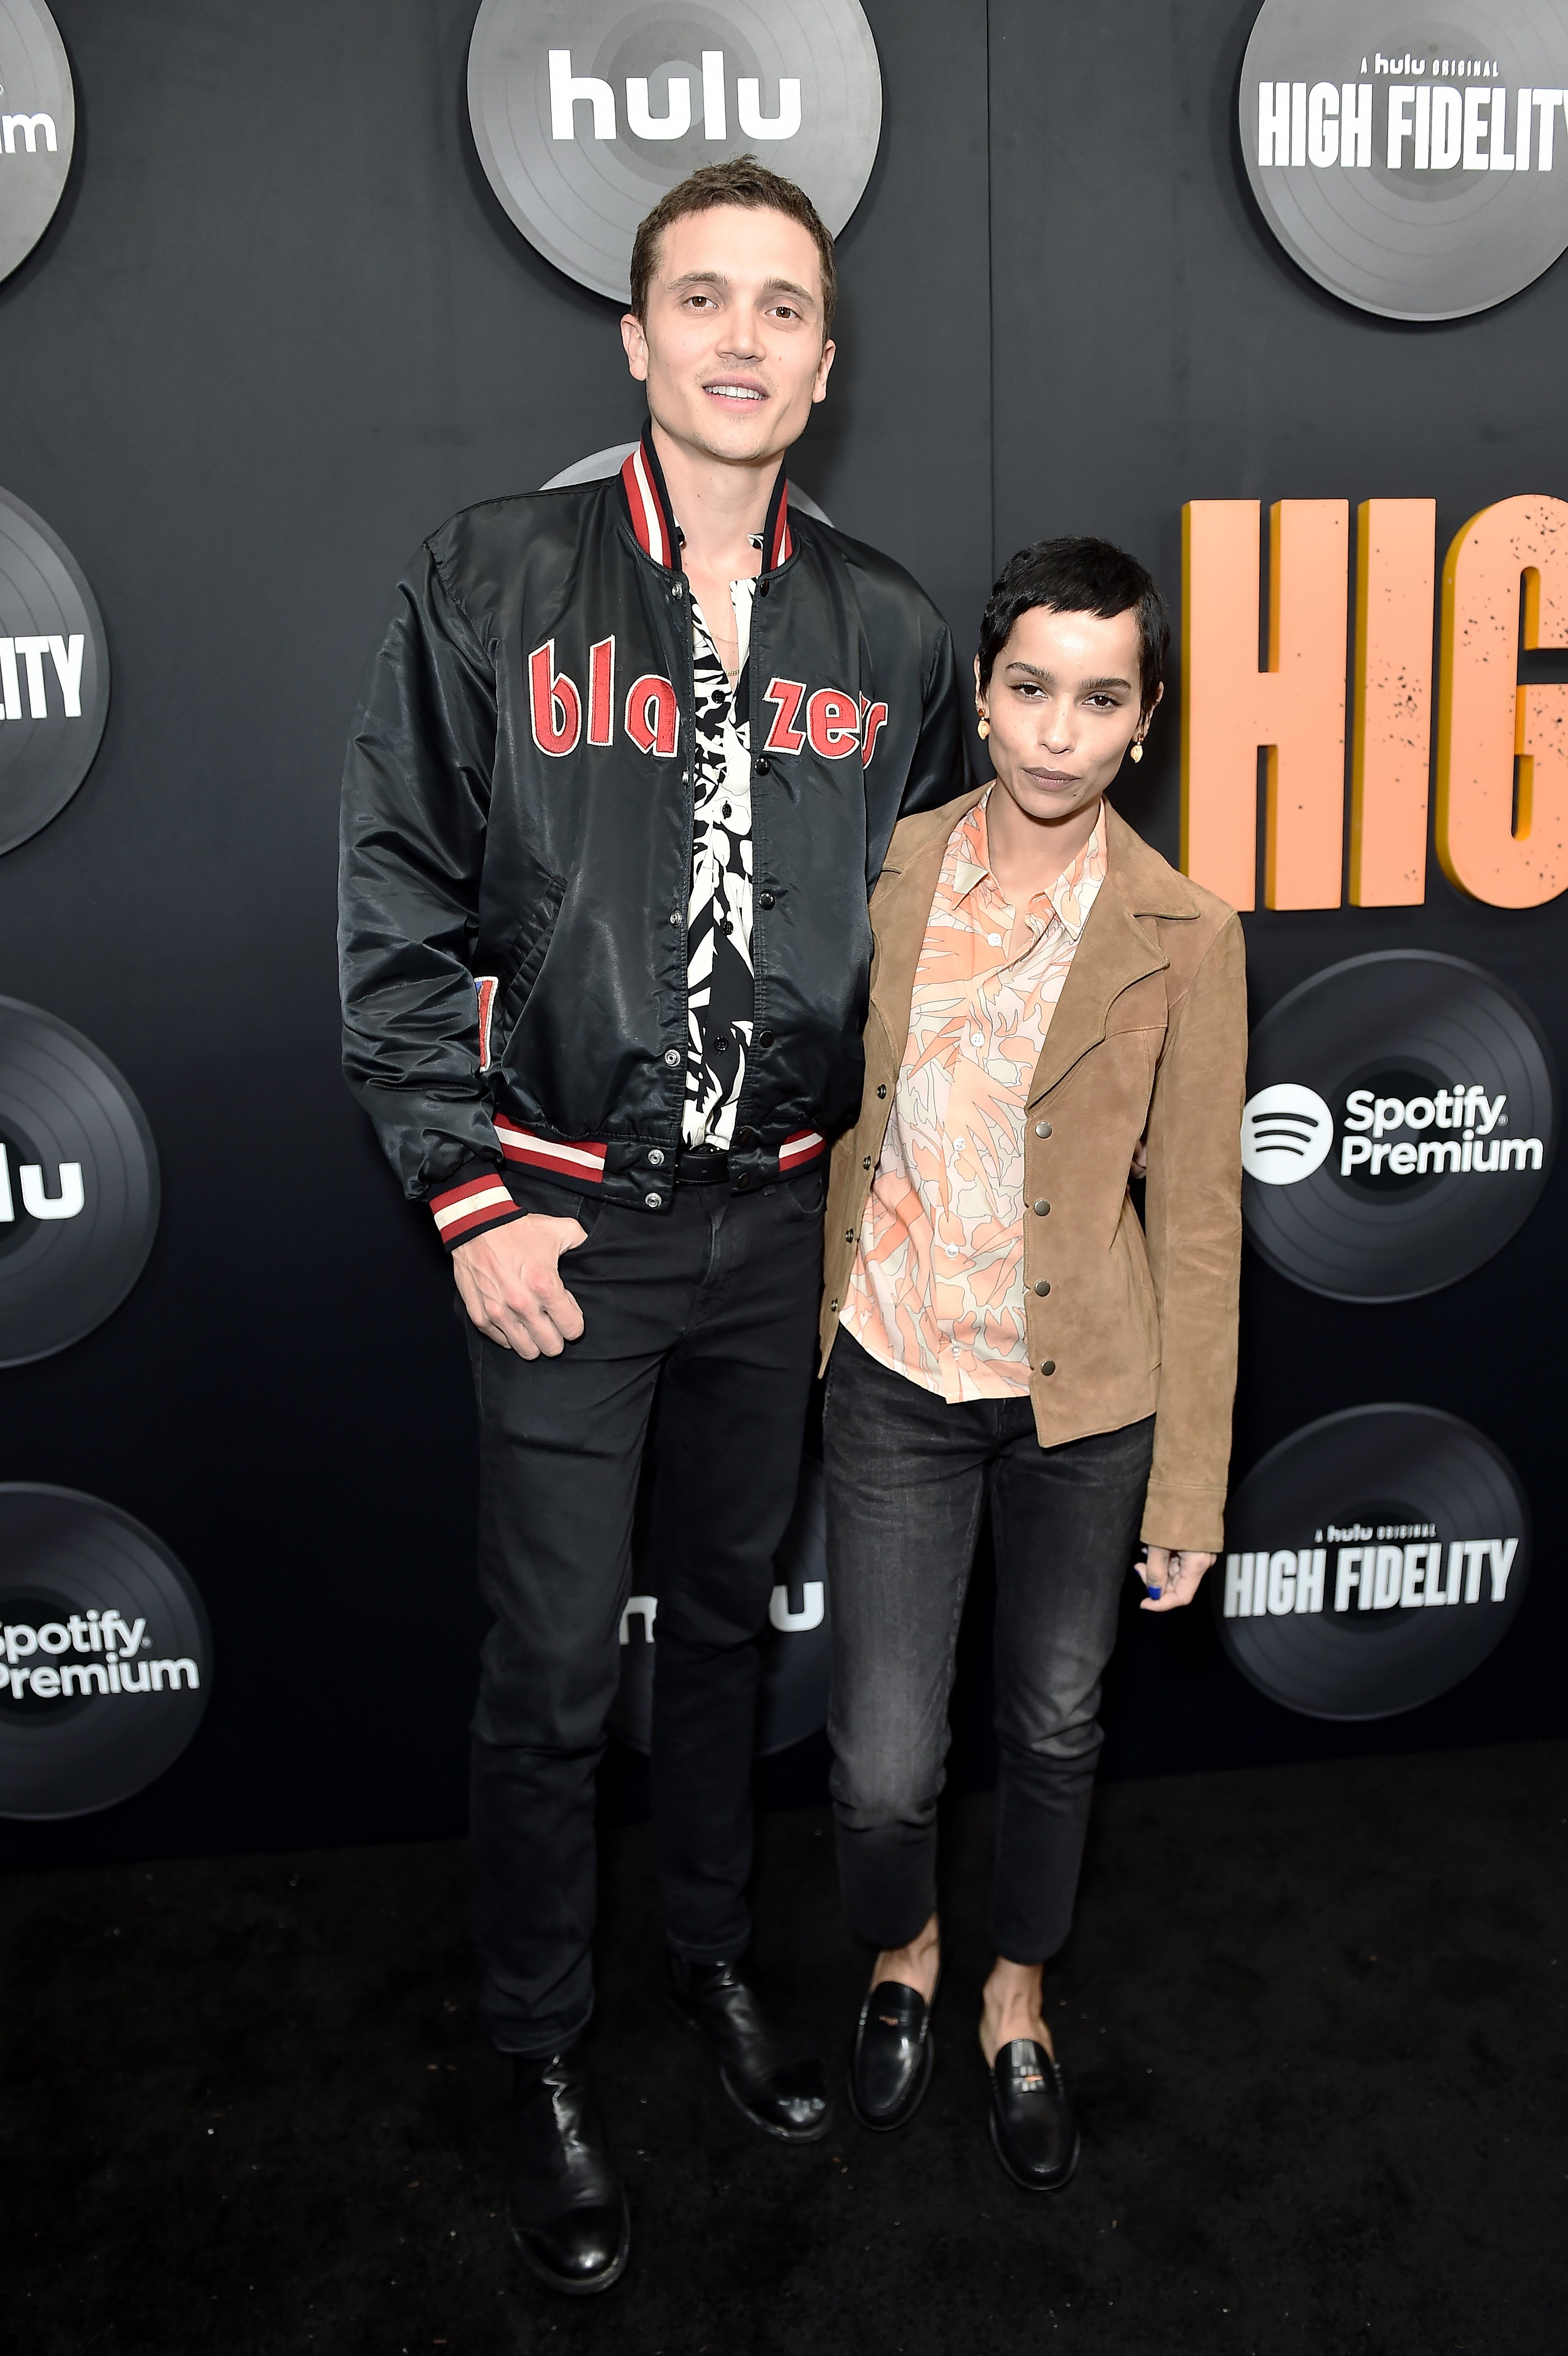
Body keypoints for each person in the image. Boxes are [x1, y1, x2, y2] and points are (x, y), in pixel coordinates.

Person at [338, 158, 971, 2294]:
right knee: (542, 1677)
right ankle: (538, 2045)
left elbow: (951, 933)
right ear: (632, 338)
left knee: (721, 1636)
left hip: (778, 1232)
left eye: (783, 307)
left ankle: (706, 1957)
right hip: (564, 1235)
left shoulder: (888, 626)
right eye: (701, 298)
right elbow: (400, 889)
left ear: (823, 357)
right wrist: (460, 1186)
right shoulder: (495, 575)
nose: (741, 338)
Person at [817, 536, 1246, 2192]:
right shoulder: (891, 867)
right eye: (1030, 689)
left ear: (1144, 723)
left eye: (1102, 697)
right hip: (896, 1374)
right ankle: (903, 1953)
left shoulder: (1187, 932)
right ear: (984, 696)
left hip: (1088, 1405)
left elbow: (1200, 1219)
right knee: (878, 1761)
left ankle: (1015, 1994)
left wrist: (1192, 1482)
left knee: (1059, 1726)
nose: (1059, 731)